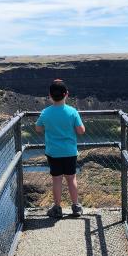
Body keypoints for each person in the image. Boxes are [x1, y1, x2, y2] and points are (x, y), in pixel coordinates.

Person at [35, 79, 85, 218]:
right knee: (71, 178)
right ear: (66, 94)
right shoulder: (73, 111)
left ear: (50, 95)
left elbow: (38, 128)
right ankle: (76, 207)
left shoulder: (46, 112)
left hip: (53, 152)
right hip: (69, 152)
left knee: (56, 180)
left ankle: (57, 208)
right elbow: (81, 131)